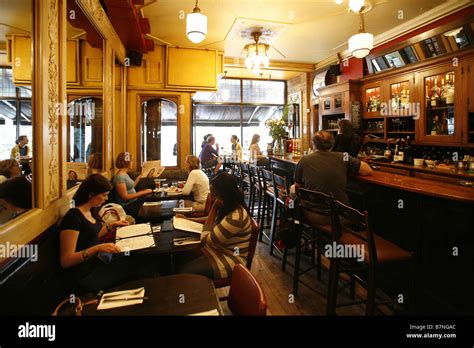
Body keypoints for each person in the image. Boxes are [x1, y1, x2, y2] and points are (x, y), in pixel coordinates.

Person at [59, 174, 157, 292]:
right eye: (104, 195)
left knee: (141, 256)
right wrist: (97, 248)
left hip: (98, 262)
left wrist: (112, 226)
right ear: (91, 194)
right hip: (86, 275)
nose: (106, 199)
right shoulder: (73, 218)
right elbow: (66, 260)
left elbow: (92, 236)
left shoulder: (90, 211)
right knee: (139, 264)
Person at [175, 172, 252, 280]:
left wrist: (214, 208)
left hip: (231, 260)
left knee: (184, 272)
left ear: (224, 194)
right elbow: (211, 221)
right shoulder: (230, 206)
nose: (212, 198)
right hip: (217, 250)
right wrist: (188, 219)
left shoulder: (235, 217)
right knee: (177, 258)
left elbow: (205, 240)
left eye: (214, 195)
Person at [294, 131, 372, 225]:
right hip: (339, 217)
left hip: (313, 215)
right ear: (332, 143)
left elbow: (298, 187)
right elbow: (368, 170)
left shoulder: (304, 160)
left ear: (313, 144)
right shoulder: (343, 157)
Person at [112, 153, 153, 217]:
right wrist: (143, 192)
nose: (132, 162)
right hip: (129, 206)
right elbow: (125, 197)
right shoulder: (119, 177)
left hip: (134, 202)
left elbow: (131, 187)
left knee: (152, 203)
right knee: (151, 209)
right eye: (131, 161)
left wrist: (140, 176)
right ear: (126, 162)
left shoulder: (124, 174)